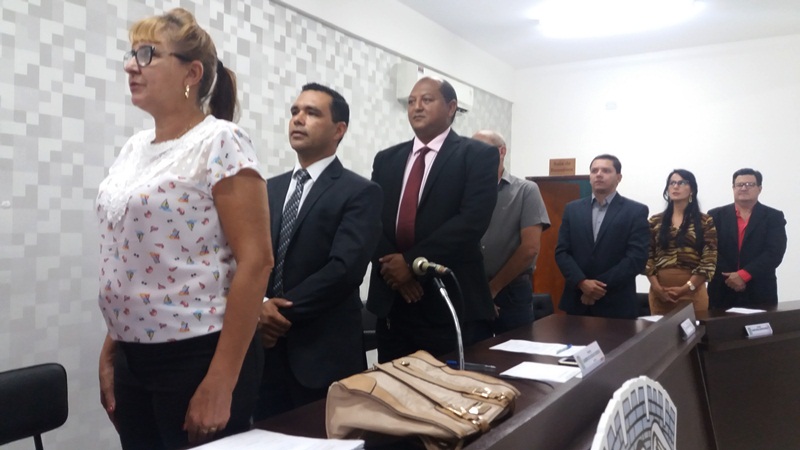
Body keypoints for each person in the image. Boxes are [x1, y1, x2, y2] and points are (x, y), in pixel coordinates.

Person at [95, 9, 273, 449]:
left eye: (147, 54)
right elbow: (134, 257)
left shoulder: (221, 141)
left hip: (197, 354)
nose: (131, 65)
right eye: (131, 53)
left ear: (192, 73)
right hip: (133, 353)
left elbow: (257, 261)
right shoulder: (135, 147)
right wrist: (112, 346)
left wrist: (221, 381)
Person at [255, 83, 382, 419]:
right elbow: (250, 258)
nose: (298, 119)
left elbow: (344, 269)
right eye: (295, 111)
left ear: (339, 130)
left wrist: (278, 313)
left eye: (312, 113)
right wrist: (260, 306)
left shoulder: (360, 192)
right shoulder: (269, 188)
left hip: (323, 355)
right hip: (264, 352)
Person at [367, 77, 499, 362]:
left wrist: (411, 264)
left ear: (451, 108)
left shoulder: (477, 155)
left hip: (448, 300)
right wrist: (395, 272)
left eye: (426, 100)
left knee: (449, 386)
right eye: (411, 101)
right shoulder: (387, 159)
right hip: (393, 301)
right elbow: (371, 219)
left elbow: (472, 221)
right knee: (394, 386)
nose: (416, 107)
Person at [472, 130, 550, 334]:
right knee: (473, 351)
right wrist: (479, 292)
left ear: (502, 151)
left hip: (512, 291)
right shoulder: (465, 192)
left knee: (516, 349)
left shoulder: (526, 190)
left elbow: (530, 249)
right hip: (472, 290)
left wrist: (492, 289)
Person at [555, 154, 649, 319]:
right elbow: (562, 252)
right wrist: (582, 283)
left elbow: (636, 258)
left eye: (606, 170)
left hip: (617, 304)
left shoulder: (635, 211)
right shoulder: (572, 209)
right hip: (577, 301)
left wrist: (596, 288)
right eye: (594, 171)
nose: (598, 174)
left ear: (618, 177)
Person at [708, 169, 787, 308]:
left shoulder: (773, 216)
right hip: (722, 288)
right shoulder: (715, 215)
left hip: (760, 288)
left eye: (750, 184)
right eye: (739, 185)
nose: (744, 188)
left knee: (762, 322)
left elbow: (774, 252)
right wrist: (731, 278)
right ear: (733, 188)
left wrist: (744, 275)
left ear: (759, 188)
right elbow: (709, 250)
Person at [645, 170, 717, 315]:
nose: (675, 186)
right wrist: (657, 288)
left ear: (692, 190)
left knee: (695, 329)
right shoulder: (655, 221)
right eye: (672, 183)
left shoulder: (705, 221)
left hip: (693, 291)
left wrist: (686, 288)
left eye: (682, 183)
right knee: (660, 330)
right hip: (661, 293)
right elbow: (647, 256)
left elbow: (709, 259)